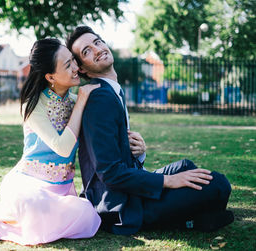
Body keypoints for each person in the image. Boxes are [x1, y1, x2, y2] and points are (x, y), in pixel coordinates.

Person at [66, 26, 234, 235]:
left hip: (131, 188)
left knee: (186, 166)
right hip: (121, 205)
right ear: (82, 68)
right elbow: (109, 173)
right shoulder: (100, 99)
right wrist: (168, 181)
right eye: (87, 51)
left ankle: (198, 218)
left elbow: (116, 155)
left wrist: (139, 152)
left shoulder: (111, 91)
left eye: (97, 42)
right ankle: (192, 221)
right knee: (218, 185)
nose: (97, 49)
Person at [0, 38, 101, 245]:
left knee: (87, 215)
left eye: (73, 60)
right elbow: (64, 148)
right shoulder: (32, 106)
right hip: (26, 185)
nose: (76, 67)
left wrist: (132, 141)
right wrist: (82, 100)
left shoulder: (77, 101)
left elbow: (99, 137)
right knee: (34, 204)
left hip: (61, 190)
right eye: (68, 65)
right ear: (50, 76)